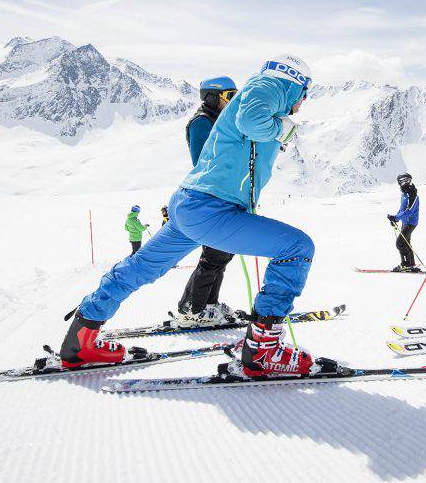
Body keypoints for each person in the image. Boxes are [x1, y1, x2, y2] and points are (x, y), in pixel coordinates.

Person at [59, 55, 325, 379]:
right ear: (297, 84)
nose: (303, 102)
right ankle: (263, 352)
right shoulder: (271, 84)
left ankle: (80, 338)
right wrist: (281, 127)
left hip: (190, 204)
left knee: (140, 268)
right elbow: (251, 121)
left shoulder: (265, 99)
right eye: (306, 93)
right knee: (297, 248)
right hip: (213, 210)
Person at [174, 76, 240, 326]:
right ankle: (193, 308)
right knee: (214, 255)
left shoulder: (221, 120)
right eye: (229, 96)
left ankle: (208, 304)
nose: (233, 101)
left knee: (223, 253)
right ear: (212, 97)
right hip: (212, 198)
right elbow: (203, 161)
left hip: (226, 195)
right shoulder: (202, 122)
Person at [388, 173, 420, 272]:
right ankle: (411, 264)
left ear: (409, 180)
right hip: (405, 222)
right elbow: (402, 209)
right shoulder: (405, 194)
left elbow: (409, 211)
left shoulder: (412, 194)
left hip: (410, 223)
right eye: (400, 181)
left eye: (404, 181)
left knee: (400, 243)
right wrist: (395, 219)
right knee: (406, 243)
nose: (402, 183)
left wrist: (396, 217)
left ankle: (406, 265)